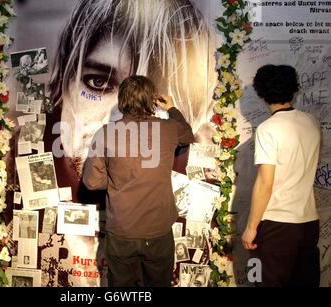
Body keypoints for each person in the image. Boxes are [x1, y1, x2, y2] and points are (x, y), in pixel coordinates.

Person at [44, 0, 213, 203]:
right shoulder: (6, 186)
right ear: (62, 87)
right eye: (98, 82)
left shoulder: (209, 201)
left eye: (152, 99)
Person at [82, 75, 195, 286]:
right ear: (152, 100)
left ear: (122, 100)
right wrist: (171, 109)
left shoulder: (106, 133)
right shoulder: (170, 128)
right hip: (158, 230)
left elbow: (92, 182)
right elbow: (188, 135)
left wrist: (117, 180)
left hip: (121, 230)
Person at [241, 65, 321, 287]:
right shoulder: (312, 122)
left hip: (277, 225)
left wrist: (251, 227)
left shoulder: (268, 129)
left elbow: (265, 183)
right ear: (293, 90)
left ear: (261, 93)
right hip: (308, 222)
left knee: (260, 280)